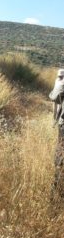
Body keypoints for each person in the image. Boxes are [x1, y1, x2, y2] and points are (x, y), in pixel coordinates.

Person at [49, 69, 64, 200]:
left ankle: (56, 193)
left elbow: (55, 97)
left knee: (59, 158)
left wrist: (59, 80)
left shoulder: (62, 79)